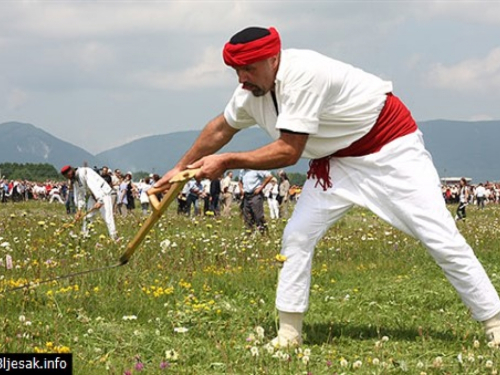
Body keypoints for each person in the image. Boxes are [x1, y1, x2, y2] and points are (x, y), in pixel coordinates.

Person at [155, 26, 500, 346]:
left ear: (274, 59)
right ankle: (289, 334)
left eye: (250, 69)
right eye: (237, 71)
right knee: (297, 236)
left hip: (390, 149)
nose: (243, 79)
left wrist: (227, 161)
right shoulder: (250, 94)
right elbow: (221, 128)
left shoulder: (303, 75)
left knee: (439, 236)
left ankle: (495, 324)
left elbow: (289, 152)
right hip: (336, 163)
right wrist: (178, 169)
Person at [61, 165, 118, 240]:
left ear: (71, 170)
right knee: (88, 217)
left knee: (107, 217)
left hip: (103, 194)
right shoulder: (74, 180)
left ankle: (114, 238)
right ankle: (85, 236)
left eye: (68, 175)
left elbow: (94, 186)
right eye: (67, 177)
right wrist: (79, 210)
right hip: (93, 196)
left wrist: (100, 200)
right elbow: (79, 195)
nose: (69, 178)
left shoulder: (84, 172)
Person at [238, 169, 272, 233]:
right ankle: (249, 234)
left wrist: (261, 187)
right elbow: (240, 181)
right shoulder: (242, 171)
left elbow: (269, 176)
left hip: (255, 194)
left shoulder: (256, 169)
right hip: (246, 195)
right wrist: (241, 189)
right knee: (247, 217)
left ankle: (263, 233)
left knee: (258, 216)